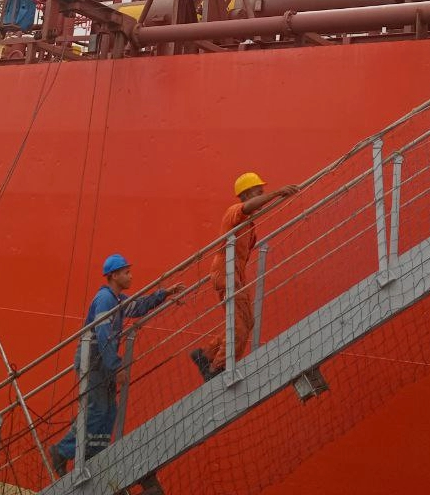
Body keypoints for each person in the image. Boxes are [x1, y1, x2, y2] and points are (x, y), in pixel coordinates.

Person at [50, 254, 184, 476]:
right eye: (126, 272)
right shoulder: (105, 300)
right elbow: (103, 336)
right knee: (97, 410)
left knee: (109, 411)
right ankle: (61, 452)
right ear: (113, 275)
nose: (130, 276)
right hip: (92, 362)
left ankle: (94, 456)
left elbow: (138, 306)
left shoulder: (118, 300)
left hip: (102, 361)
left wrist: (164, 294)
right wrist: (116, 366)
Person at [190, 172, 300, 381]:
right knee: (239, 326)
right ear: (248, 193)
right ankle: (217, 368)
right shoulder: (235, 212)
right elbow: (245, 208)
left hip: (235, 274)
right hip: (226, 272)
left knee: (247, 322)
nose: (263, 193)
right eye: (259, 191)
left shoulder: (249, 222)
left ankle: (205, 354)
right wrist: (278, 193)